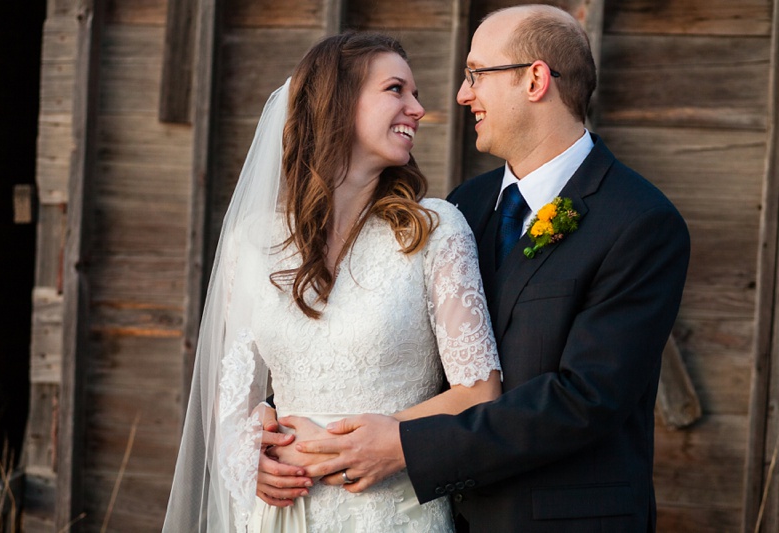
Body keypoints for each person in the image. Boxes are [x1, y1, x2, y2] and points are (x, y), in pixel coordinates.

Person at [263, 5, 691, 533]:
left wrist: (404, 446)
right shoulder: (464, 207)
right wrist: (277, 431)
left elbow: (586, 399)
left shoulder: (639, 221)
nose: (462, 95)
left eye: (475, 74)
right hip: (441, 517)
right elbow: (376, 342)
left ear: (534, 80)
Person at [162, 31, 502, 533]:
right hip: (284, 516)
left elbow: (479, 393)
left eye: (415, 94)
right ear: (338, 103)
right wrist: (252, 453)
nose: (418, 109)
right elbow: (229, 400)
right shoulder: (254, 241)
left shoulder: (434, 229)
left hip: (392, 513)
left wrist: (383, 438)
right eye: (396, 90)